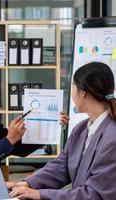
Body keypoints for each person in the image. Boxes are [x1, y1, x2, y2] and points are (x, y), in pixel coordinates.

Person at [8, 61, 116, 200]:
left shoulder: (112, 138)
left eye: (73, 86)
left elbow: (94, 195)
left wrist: (39, 194)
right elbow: (62, 167)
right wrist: (26, 183)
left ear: (83, 93)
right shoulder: (81, 129)